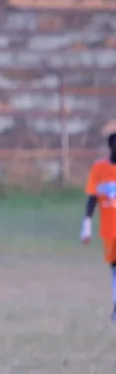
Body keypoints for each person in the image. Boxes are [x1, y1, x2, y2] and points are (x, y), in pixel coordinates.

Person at [81, 131, 116, 320]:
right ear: (111, 147)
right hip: (109, 230)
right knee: (114, 268)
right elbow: (92, 197)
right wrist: (86, 224)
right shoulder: (99, 168)